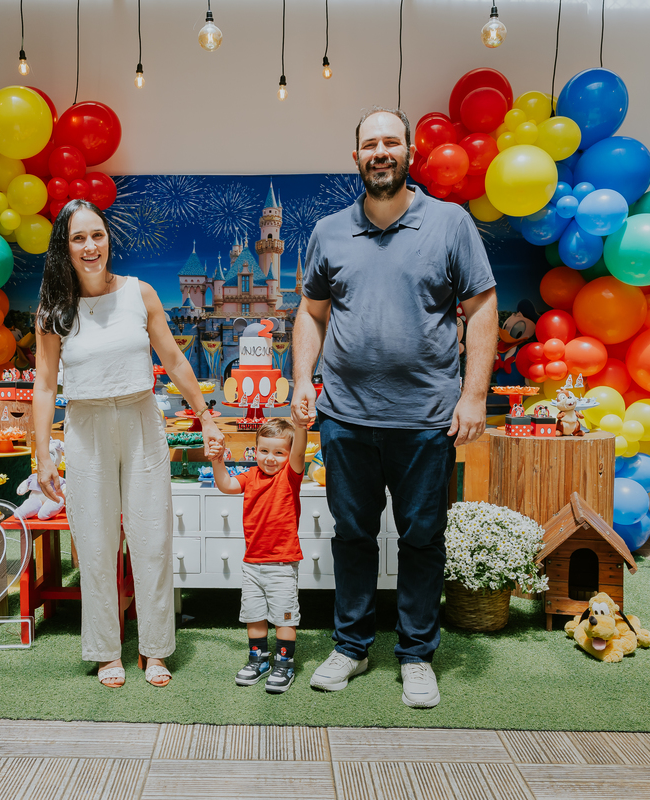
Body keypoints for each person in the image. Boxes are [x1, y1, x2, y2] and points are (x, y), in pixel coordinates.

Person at [291, 107, 498, 708]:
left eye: (391, 142)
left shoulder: (450, 224)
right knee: (352, 536)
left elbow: (483, 308)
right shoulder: (329, 231)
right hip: (345, 417)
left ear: (410, 152)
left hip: (426, 419)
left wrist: (474, 395)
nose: (380, 152)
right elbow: (311, 312)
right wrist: (302, 379)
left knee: (422, 539)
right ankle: (351, 646)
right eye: (369, 144)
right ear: (355, 157)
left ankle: (416, 655)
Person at [32, 199, 224, 689]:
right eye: (78, 238)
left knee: (152, 539)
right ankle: (105, 652)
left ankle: (155, 649)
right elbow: (46, 385)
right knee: (95, 544)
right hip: (86, 427)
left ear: (108, 239)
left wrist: (205, 416)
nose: (90, 246)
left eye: (97, 235)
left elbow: (175, 360)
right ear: (64, 247)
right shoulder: (53, 310)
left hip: (141, 420)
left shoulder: (140, 293)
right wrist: (42, 453)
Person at [207, 417, 309, 694]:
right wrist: (218, 460)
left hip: (282, 565)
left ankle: (284, 664)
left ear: (289, 455)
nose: (270, 458)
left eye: (279, 452)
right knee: (254, 615)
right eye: (264, 451)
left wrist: (301, 426)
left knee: (284, 619)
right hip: (252, 565)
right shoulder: (250, 476)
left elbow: (299, 451)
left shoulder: (290, 475)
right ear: (255, 450)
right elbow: (226, 485)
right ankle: (258, 660)